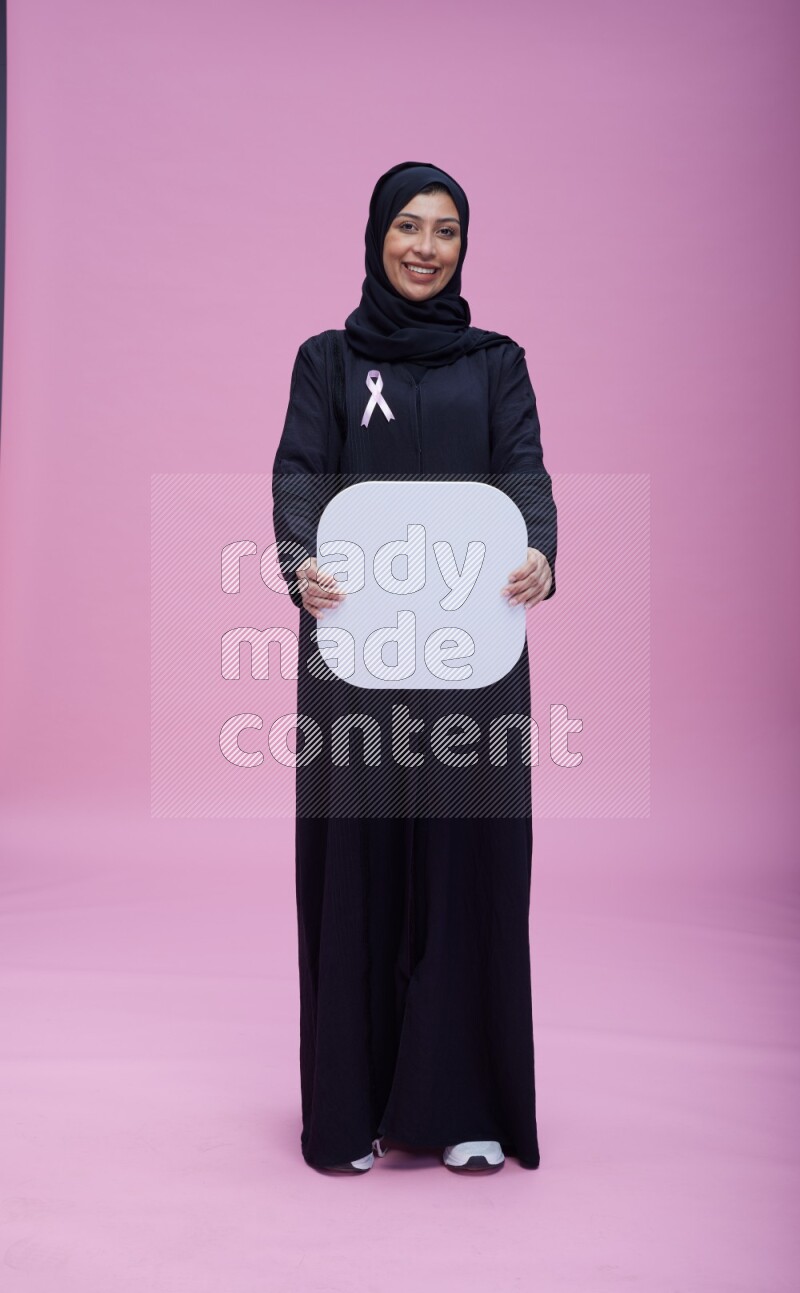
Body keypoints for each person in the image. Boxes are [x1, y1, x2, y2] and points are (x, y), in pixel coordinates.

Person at [271, 161, 557, 1175]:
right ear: (375, 236)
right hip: (354, 652)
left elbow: (523, 476)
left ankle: (463, 1106)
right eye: (407, 227)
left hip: (472, 658)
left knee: (465, 865)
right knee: (358, 866)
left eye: (444, 231)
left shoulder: (497, 362)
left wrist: (538, 556)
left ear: (462, 246)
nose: (425, 248)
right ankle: (350, 1111)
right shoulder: (328, 361)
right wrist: (298, 565)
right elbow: (300, 476)